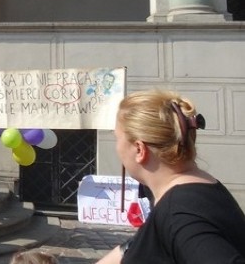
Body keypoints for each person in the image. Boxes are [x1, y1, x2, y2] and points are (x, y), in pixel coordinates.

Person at [96, 90, 245, 264]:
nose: (117, 147)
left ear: (139, 150)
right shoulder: (202, 187)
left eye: (117, 138)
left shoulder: (178, 213)